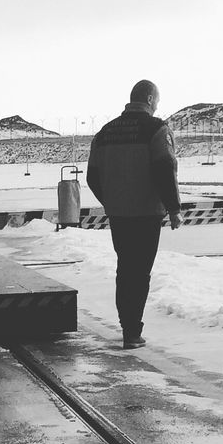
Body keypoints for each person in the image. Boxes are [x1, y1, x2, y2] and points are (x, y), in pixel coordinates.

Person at [85, 79, 182, 349]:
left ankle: (126, 324)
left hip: (119, 214)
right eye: (157, 101)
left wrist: (112, 200)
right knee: (140, 272)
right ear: (150, 100)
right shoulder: (156, 129)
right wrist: (174, 208)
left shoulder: (105, 132)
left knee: (125, 268)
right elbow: (165, 169)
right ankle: (132, 332)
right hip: (147, 214)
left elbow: (92, 176)